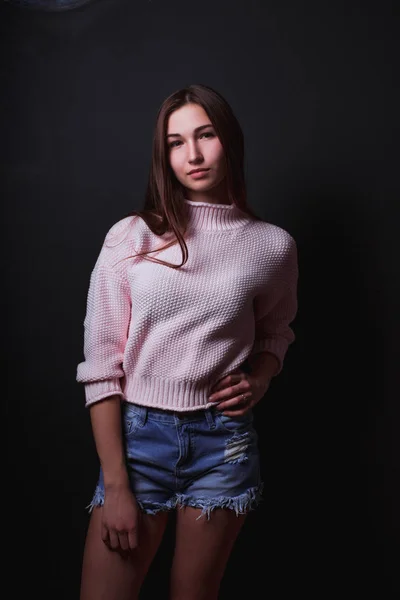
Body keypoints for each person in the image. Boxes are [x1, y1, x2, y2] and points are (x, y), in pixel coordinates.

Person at [76, 83, 298, 600]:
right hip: (137, 442)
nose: (193, 154)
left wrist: (259, 378)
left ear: (230, 142)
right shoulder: (131, 236)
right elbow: (102, 367)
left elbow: (276, 331)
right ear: (163, 154)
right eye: (176, 142)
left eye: (206, 135)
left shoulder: (272, 245)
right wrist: (116, 484)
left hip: (223, 442)